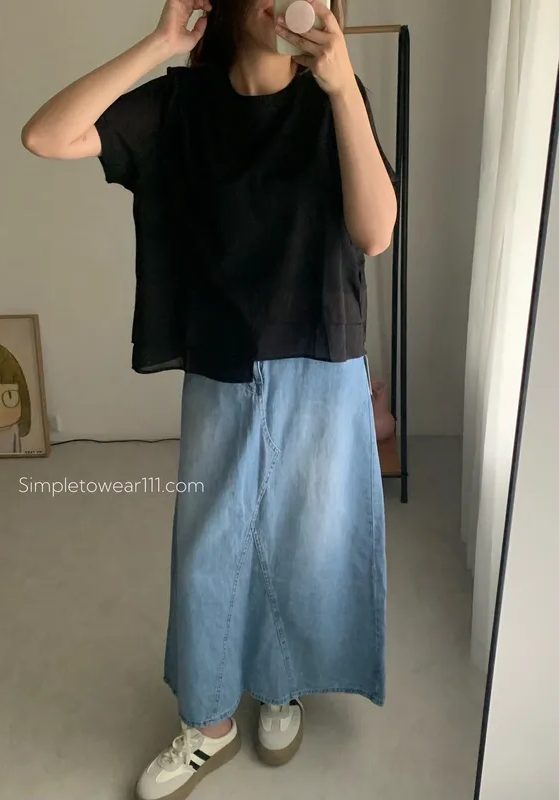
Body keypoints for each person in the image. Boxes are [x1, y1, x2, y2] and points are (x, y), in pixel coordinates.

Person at [22, 0, 397, 797]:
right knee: (211, 548)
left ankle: (281, 682)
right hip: (222, 362)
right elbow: (46, 136)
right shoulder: (180, 106)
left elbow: (374, 233)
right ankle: (210, 719)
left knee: (305, 539)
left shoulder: (335, 96)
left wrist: (340, 91)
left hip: (321, 355)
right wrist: (159, 42)